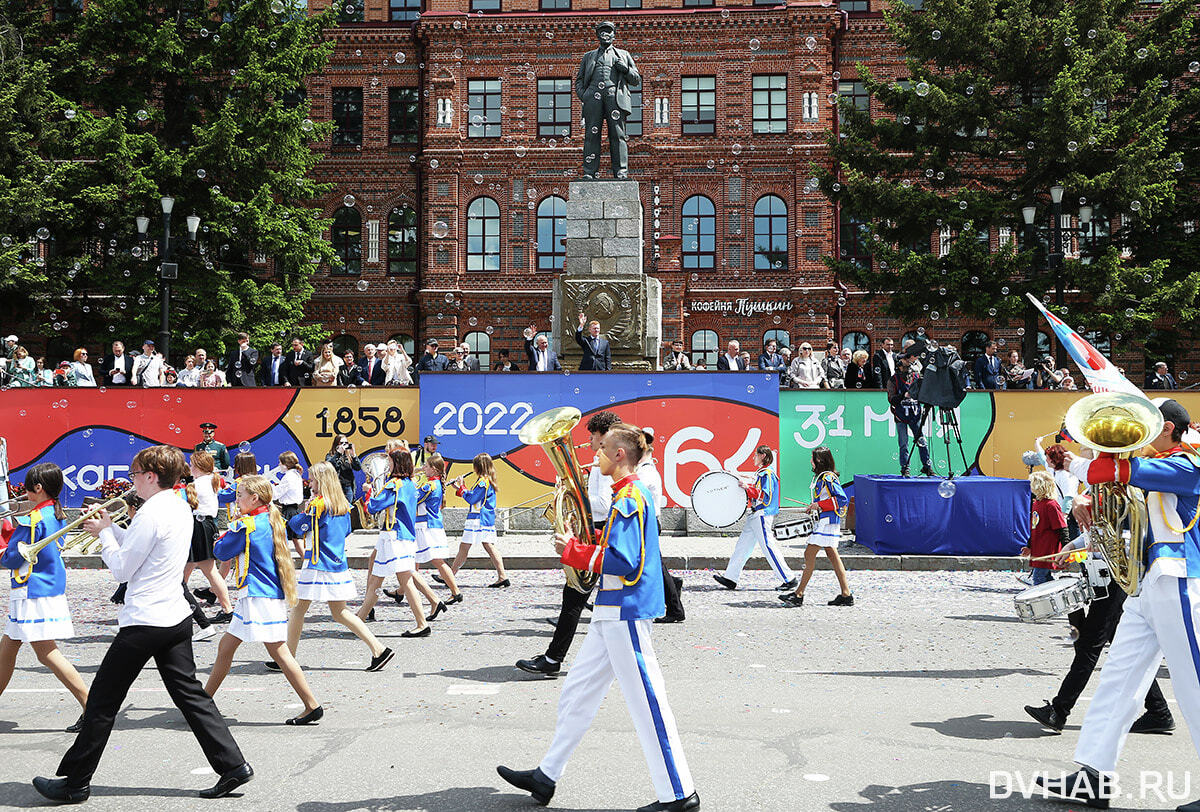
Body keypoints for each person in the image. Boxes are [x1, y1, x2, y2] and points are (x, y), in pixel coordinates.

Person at [497, 424, 698, 812]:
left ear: (619, 454)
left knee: (648, 705)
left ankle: (679, 793)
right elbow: (617, 552)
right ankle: (547, 774)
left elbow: (625, 560)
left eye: (602, 448)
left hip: (624, 609)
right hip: (611, 610)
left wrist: (574, 551)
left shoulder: (629, 498)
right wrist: (581, 544)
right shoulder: (627, 494)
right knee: (577, 694)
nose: (596, 455)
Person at [37, 445, 251, 803]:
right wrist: (109, 531)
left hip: (146, 620)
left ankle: (75, 782)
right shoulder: (179, 505)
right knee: (191, 697)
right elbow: (145, 547)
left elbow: (122, 568)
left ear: (151, 476)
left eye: (136, 474)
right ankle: (233, 765)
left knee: (103, 702)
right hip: (175, 617)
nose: (132, 480)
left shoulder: (151, 512)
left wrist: (105, 533)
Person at [1035, 398, 1200, 810]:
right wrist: (1088, 504)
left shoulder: (1188, 464)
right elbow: (1125, 510)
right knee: (1118, 682)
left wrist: (1072, 464)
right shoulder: (1165, 467)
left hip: (1179, 577)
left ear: (1165, 427)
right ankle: (1092, 776)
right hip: (1150, 583)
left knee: (1194, 685)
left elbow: (1119, 471)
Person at [1024, 532, 1174, 737]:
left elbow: (1132, 531)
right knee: (1127, 652)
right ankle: (1159, 711)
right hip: (1103, 576)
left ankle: (1058, 712)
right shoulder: (1098, 501)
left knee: (1088, 647)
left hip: (1117, 577)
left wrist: (1103, 544)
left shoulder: (1126, 500)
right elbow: (1096, 528)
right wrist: (1071, 546)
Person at [205, 475, 323, 725]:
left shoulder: (246, 524)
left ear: (254, 498)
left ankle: (312, 705)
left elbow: (220, 551)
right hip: (263, 594)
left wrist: (230, 528)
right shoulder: (272, 518)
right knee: (226, 647)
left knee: (279, 652)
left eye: (239, 495)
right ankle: (203, 701)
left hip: (258, 595)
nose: (236, 499)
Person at [519, 410, 622, 676]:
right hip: (596, 531)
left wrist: (577, 497)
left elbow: (603, 505)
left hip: (598, 531)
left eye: (592, 437)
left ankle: (556, 659)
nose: (588, 443)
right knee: (579, 598)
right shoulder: (602, 463)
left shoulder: (606, 465)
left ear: (604, 437)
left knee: (579, 596)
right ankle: (558, 658)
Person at [282, 462, 394, 672]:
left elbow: (297, 526)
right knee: (340, 612)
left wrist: (299, 514)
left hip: (318, 561)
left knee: (298, 610)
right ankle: (379, 649)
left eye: (313, 480)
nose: (310, 483)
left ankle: (288, 657)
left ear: (321, 481)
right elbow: (346, 531)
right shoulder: (341, 503)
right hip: (336, 561)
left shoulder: (319, 504)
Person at [0, 463, 89, 726]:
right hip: (43, 587)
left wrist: (5, 541)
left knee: (45, 652)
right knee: (7, 649)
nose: (24, 493)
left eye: (28, 488)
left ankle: (91, 705)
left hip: (32, 589)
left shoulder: (32, 519)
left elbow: (12, 558)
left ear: (38, 488)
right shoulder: (55, 514)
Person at [355, 448, 434, 636]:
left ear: (396, 463)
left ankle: (422, 624)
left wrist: (368, 492)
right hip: (400, 536)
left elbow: (373, 506)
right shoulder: (409, 484)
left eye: (389, 462)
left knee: (405, 581)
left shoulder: (394, 484)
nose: (387, 465)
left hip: (394, 536)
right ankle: (359, 619)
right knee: (376, 579)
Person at [713, 445, 797, 592]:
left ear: (762, 456)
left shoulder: (767, 474)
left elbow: (765, 496)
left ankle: (789, 578)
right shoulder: (763, 473)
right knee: (742, 547)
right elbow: (754, 481)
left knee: (768, 547)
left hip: (762, 514)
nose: (753, 457)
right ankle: (731, 577)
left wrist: (747, 488)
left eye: (756, 455)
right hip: (756, 515)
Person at [781, 447, 853, 607]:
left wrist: (818, 504)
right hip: (827, 521)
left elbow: (842, 499)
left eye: (812, 459)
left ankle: (798, 594)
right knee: (833, 557)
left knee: (809, 553)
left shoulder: (827, 478)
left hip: (826, 523)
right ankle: (846, 594)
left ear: (819, 460)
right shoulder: (823, 477)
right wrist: (815, 506)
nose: (810, 462)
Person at [574, 20, 640, 180]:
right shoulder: (588, 56)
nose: (606, 34)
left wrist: (625, 69)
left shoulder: (623, 55)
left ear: (614, 35)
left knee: (618, 135)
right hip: (593, 97)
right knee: (591, 135)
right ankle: (589, 172)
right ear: (597, 35)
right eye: (602, 31)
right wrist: (585, 95)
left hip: (615, 97)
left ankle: (621, 172)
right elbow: (579, 80)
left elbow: (636, 79)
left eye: (609, 31)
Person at [184, 451, 234, 632]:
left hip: (199, 526)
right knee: (198, 569)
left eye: (192, 464)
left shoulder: (198, 483)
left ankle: (227, 609)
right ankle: (226, 609)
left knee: (205, 570)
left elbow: (187, 504)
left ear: (198, 466)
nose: (190, 467)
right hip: (205, 525)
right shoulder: (210, 481)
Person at [639, 428, 684, 624]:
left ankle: (675, 608)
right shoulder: (645, 470)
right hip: (648, 522)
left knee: (655, 565)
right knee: (654, 565)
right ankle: (673, 590)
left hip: (648, 522)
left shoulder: (646, 472)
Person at [448, 453, 510, 587]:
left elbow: (472, 499)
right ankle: (450, 575)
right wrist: (459, 489)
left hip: (478, 519)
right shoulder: (486, 481)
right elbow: (474, 497)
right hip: (481, 518)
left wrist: (462, 486)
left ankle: (450, 576)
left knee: (470, 546)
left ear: (478, 466)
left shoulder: (483, 481)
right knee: (470, 546)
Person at [414, 454, 462, 603]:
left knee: (436, 561)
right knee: (415, 561)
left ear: (434, 469)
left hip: (425, 527)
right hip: (428, 526)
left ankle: (455, 592)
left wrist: (410, 479)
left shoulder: (429, 485)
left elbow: (412, 498)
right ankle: (402, 591)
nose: (424, 469)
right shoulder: (435, 483)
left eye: (426, 467)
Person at [1020, 470, 1070, 586]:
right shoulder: (1036, 503)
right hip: (1038, 549)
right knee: (1045, 578)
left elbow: (1062, 528)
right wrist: (1029, 546)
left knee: (1038, 578)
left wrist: (1065, 548)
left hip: (1046, 550)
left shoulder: (1051, 505)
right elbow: (1035, 528)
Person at [887, 355, 933, 477]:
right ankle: (905, 467)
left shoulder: (916, 377)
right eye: (905, 362)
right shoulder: (893, 380)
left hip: (915, 414)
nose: (907, 364)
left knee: (922, 441)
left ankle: (927, 466)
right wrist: (904, 395)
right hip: (901, 415)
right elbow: (891, 399)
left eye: (908, 361)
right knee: (904, 443)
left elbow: (924, 393)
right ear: (899, 365)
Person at [271, 452, 305, 530]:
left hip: (289, 511)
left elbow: (276, 494)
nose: (279, 465)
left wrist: (268, 485)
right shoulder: (295, 474)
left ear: (286, 465)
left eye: (280, 462)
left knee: (288, 538)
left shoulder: (288, 477)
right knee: (295, 538)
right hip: (294, 510)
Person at [325, 435, 361, 505]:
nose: (344, 445)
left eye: (346, 443)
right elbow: (329, 466)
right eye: (341, 443)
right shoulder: (331, 455)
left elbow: (358, 467)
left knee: (348, 508)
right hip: (336, 487)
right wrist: (338, 453)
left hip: (348, 487)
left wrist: (354, 455)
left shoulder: (348, 456)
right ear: (336, 444)